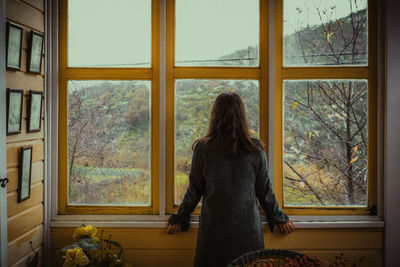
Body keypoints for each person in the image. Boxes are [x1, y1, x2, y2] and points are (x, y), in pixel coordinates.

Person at [166, 92, 294, 267]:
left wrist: (180, 218)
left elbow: (195, 189)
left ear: (214, 115)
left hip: (213, 229)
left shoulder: (203, 148)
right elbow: (264, 190)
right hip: (247, 228)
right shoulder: (255, 149)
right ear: (242, 116)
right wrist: (279, 218)